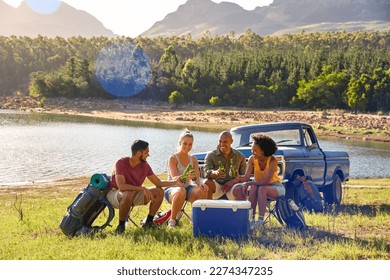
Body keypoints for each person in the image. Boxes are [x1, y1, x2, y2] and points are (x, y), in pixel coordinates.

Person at [107, 139, 185, 234]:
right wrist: (142, 188)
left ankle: (148, 222)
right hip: (116, 194)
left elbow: (158, 182)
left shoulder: (145, 166)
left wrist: (175, 182)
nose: (148, 154)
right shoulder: (121, 163)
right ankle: (121, 226)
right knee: (127, 194)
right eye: (146, 152)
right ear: (139, 153)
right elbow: (122, 186)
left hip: (133, 195)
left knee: (159, 191)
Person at [240, 133, 285, 230]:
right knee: (254, 188)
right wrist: (236, 178)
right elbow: (246, 177)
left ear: (263, 151)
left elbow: (266, 181)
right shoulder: (252, 159)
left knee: (261, 189)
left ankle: (260, 221)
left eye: (255, 150)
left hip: (276, 187)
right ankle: (250, 219)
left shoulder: (272, 161)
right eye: (252, 150)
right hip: (259, 186)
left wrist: (250, 183)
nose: (252, 152)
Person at [164, 129, 208, 228]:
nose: (187, 147)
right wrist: (185, 176)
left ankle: (196, 220)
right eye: (185, 143)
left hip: (187, 188)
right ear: (180, 143)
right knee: (181, 190)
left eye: (190, 144)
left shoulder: (193, 159)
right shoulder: (173, 158)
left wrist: (201, 184)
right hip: (172, 188)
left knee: (202, 190)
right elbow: (175, 178)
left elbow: (197, 179)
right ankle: (172, 221)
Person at [203, 131, 246, 200]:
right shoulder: (211, 155)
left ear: (231, 141)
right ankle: (208, 209)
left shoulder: (240, 156)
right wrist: (216, 173)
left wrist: (234, 181)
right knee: (207, 182)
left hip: (233, 187)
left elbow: (244, 177)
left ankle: (240, 210)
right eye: (220, 141)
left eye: (225, 142)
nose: (222, 144)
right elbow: (206, 172)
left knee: (240, 188)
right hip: (217, 187)